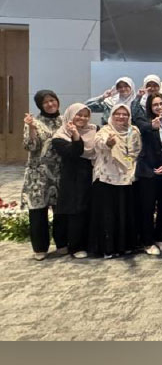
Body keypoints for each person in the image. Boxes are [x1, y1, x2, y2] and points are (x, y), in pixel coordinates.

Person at [88, 104, 142, 258]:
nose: (121, 117)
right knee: (108, 214)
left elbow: (136, 150)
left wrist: (129, 163)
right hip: (107, 177)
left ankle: (125, 246)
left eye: (125, 114)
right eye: (117, 113)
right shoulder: (106, 131)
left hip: (127, 176)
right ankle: (108, 248)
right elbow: (99, 144)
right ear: (112, 115)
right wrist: (109, 143)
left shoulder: (134, 131)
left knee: (124, 212)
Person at [22, 90, 64, 260]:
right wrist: (31, 128)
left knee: (61, 210)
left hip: (60, 172)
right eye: (45, 102)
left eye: (52, 100)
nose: (50, 104)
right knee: (38, 211)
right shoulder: (34, 122)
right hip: (38, 174)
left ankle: (62, 243)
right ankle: (40, 248)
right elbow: (30, 146)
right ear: (40, 105)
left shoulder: (64, 120)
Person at [134, 92, 162, 255]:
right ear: (150, 107)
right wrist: (152, 126)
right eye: (155, 105)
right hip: (149, 170)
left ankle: (161, 238)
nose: (159, 107)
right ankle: (147, 241)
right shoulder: (144, 121)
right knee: (147, 207)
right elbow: (142, 128)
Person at [52, 103, 96, 258]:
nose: (82, 118)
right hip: (72, 176)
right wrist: (76, 136)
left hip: (90, 174)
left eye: (85, 115)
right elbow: (75, 152)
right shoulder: (60, 136)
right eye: (79, 114)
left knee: (87, 208)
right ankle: (73, 246)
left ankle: (86, 243)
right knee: (73, 209)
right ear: (70, 115)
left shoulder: (93, 130)